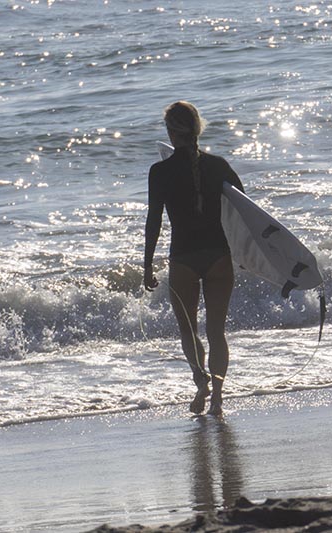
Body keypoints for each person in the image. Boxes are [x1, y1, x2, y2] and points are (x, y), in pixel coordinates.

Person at [143, 101, 244, 416]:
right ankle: (217, 397)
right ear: (197, 130)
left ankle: (200, 381)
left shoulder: (160, 171)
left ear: (172, 133)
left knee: (188, 331)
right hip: (218, 257)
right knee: (216, 331)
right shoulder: (218, 165)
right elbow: (244, 211)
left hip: (183, 260)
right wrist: (249, 255)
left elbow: (154, 221)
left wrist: (147, 265)